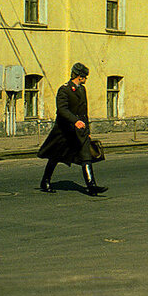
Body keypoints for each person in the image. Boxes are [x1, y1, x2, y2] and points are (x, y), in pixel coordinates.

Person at [37, 62, 107, 196]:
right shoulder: (64, 89)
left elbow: (84, 112)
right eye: (85, 77)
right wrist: (75, 121)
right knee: (55, 156)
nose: (86, 79)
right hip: (64, 130)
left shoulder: (82, 89)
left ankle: (91, 186)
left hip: (80, 131)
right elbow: (62, 110)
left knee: (86, 156)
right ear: (79, 76)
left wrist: (88, 132)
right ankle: (45, 181)